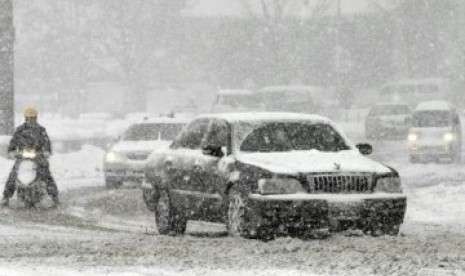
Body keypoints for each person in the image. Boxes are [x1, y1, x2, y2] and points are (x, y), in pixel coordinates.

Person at [0, 107, 59, 207]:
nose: (31, 120)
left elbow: (47, 145)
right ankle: (6, 197)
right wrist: (12, 152)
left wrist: (45, 152)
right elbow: (12, 145)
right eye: (29, 118)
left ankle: (54, 197)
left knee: (46, 174)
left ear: (36, 118)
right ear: (25, 118)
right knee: (13, 175)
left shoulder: (41, 130)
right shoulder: (19, 130)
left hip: (38, 158)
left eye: (33, 118)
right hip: (22, 157)